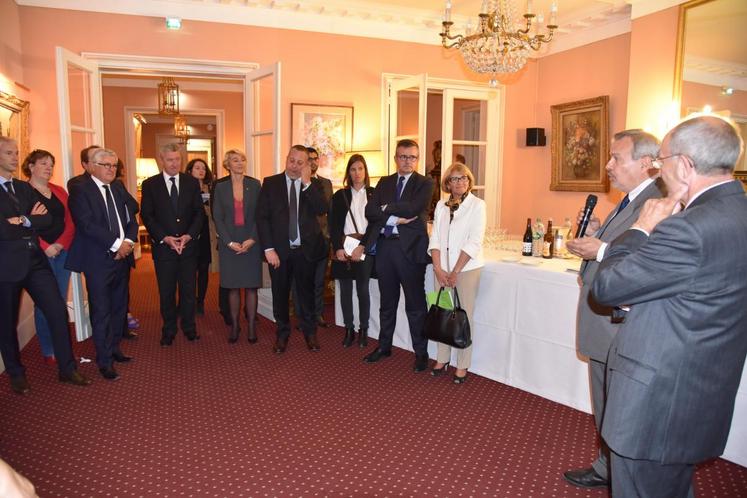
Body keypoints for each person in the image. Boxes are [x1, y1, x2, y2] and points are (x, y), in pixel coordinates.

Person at [591, 115, 747, 496]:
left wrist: (640, 229)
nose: (659, 171)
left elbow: (607, 286)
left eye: (662, 161)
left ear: (686, 165)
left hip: (656, 398)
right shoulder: (737, 212)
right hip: (701, 385)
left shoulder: (687, 228)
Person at [563, 129, 664, 489]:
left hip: (620, 322)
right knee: (605, 399)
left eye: (616, 158)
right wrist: (597, 230)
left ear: (647, 163)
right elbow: (621, 243)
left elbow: (643, 260)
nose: (608, 165)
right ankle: (607, 464)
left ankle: (618, 470)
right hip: (603, 317)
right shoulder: (629, 200)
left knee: (619, 405)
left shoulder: (658, 203)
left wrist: (601, 249)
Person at [0, 136, 91, 393]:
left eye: (16, 152)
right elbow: (3, 231)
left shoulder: (23, 188)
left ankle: (67, 368)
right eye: (9, 153)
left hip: (35, 263)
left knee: (57, 311)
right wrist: (28, 220)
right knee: (6, 322)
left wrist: (21, 221)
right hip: (6, 266)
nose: (15, 157)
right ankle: (16, 374)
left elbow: (47, 220)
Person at [66, 148, 138, 381]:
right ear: (92, 166)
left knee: (119, 306)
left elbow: (130, 218)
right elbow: (86, 224)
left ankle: (115, 348)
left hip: (122, 257)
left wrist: (127, 242)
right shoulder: (80, 189)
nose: (111, 169)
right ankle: (104, 360)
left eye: (114, 165)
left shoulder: (117, 186)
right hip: (98, 259)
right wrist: (116, 245)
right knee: (102, 310)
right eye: (106, 165)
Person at [363, 139, 434, 372]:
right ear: (395, 158)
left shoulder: (425, 183)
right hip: (385, 249)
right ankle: (384, 346)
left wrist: (385, 208)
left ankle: (421, 353)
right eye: (403, 156)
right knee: (387, 303)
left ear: (418, 159)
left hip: (411, 251)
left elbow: (414, 208)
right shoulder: (384, 181)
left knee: (415, 305)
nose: (407, 161)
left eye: (412, 157)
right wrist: (393, 216)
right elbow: (369, 211)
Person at [256, 145, 328, 353]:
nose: (295, 166)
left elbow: (322, 209)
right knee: (280, 294)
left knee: (306, 294)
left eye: (300, 163)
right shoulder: (270, 183)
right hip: (279, 252)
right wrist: (268, 249)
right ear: (286, 158)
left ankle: (310, 332)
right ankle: (282, 333)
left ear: (307, 165)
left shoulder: (313, 185)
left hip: (306, 251)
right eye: (292, 161)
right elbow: (262, 218)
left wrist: (306, 183)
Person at [140, 143, 204, 346]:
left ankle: (189, 327)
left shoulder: (191, 183)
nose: (175, 163)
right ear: (161, 160)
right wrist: (164, 237)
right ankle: (168, 329)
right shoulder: (150, 185)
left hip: (188, 247)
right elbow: (147, 216)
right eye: (170, 160)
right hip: (163, 248)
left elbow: (198, 213)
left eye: (178, 159)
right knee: (166, 292)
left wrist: (189, 236)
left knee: (188, 290)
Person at [428, 162, 486, 384]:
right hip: (441, 270)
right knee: (441, 312)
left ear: (469, 181)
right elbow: (435, 239)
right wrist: (438, 268)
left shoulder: (478, 205)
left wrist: (456, 271)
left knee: (463, 316)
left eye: (463, 178)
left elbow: (474, 241)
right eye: (454, 179)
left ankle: (462, 364)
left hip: (466, 270)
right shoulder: (442, 206)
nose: (459, 182)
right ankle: (442, 358)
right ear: (448, 183)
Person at [21, 150, 75, 365]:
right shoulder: (22, 192)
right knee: (44, 303)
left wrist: (60, 244)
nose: (48, 168)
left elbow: (71, 221)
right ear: (31, 166)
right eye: (43, 163)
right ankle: (48, 348)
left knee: (59, 300)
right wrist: (45, 247)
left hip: (62, 252)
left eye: (51, 164)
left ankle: (61, 346)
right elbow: (23, 225)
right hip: (37, 255)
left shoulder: (59, 191)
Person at [212, 150, 262, 343]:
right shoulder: (221, 187)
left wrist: (252, 239)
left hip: (251, 242)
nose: (240, 163)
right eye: (235, 160)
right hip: (229, 243)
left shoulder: (255, 184)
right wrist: (229, 242)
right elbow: (218, 217)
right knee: (232, 288)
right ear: (228, 164)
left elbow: (261, 215)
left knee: (251, 288)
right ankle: (234, 326)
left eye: (243, 159)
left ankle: (250, 326)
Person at [329, 154, 377, 348]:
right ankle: (348, 328)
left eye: (360, 169)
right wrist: (338, 248)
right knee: (345, 290)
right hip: (344, 245)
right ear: (348, 172)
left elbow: (375, 224)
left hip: (364, 245)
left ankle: (363, 329)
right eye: (353, 169)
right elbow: (333, 225)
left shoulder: (374, 194)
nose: (357, 173)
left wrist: (362, 245)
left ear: (365, 171)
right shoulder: (339, 195)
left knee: (363, 290)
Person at [292, 146, 333, 328]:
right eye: (310, 159)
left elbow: (328, 210)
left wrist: (330, 238)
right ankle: (301, 316)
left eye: (316, 159)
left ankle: (318, 314)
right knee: (300, 282)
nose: (313, 162)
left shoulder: (326, 183)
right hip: (302, 241)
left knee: (318, 281)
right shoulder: (295, 182)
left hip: (322, 240)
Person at [185, 158, 216, 316]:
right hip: (189, 235)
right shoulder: (184, 189)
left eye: (203, 168)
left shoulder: (210, 189)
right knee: (188, 271)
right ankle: (186, 302)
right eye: (197, 168)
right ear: (190, 171)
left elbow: (215, 213)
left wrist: (206, 205)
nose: (201, 170)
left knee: (203, 269)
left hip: (205, 235)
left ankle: (200, 302)